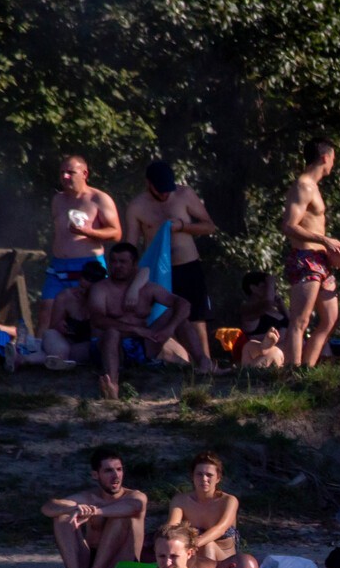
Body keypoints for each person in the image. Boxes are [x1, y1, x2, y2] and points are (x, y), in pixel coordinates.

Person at [123, 159, 220, 374]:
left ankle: (206, 365)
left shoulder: (184, 195)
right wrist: (130, 276)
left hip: (188, 265)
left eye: (168, 190)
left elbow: (209, 226)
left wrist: (183, 227)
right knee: (164, 316)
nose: (165, 195)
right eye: (160, 191)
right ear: (149, 184)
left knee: (196, 317)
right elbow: (130, 244)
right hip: (158, 271)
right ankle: (175, 365)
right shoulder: (137, 206)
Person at [280, 138, 340, 367]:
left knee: (331, 319)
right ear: (325, 157)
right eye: (333, 159)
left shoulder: (314, 187)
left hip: (321, 260)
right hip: (306, 259)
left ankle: (307, 368)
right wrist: (325, 240)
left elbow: (313, 224)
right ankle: (293, 373)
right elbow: (288, 225)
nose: (333, 164)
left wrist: (336, 247)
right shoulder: (303, 186)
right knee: (300, 320)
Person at [90, 241, 202, 399]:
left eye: (123, 262)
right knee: (112, 332)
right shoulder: (101, 289)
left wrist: (169, 329)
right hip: (111, 347)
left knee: (178, 315)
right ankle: (112, 386)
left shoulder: (148, 288)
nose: (117, 266)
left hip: (143, 346)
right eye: (113, 261)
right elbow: (97, 319)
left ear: (134, 264)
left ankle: (203, 363)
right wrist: (134, 329)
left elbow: (183, 304)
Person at [42, 446, 148, 568]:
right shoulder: (90, 497)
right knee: (63, 516)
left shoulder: (134, 496)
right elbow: (48, 507)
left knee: (120, 518)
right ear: (95, 475)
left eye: (119, 469)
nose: (116, 476)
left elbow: (135, 506)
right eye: (108, 471)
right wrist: (74, 508)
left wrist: (95, 511)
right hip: (86, 567)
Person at [38, 154, 121, 337]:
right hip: (58, 265)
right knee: (47, 310)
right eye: (62, 173)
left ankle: (93, 353)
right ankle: (41, 355)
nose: (65, 177)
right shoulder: (57, 200)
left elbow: (116, 233)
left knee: (89, 312)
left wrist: (88, 232)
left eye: (70, 172)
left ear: (84, 174)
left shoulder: (99, 199)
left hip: (87, 266)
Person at [164, 451, 243, 568]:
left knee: (209, 545)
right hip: (193, 556)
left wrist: (193, 543)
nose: (204, 479)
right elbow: (172, 528)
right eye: (199, 474)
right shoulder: (181, 501)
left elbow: (221, 528)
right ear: (192, 476)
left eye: (209, 475)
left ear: (218, 478)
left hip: (224, 561)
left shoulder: (228, 501)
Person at [41, 259, 106, 366]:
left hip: (82, 345)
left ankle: (24, 359)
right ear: (79, 280)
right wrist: (59, 326)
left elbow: (98, 334)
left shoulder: (100, 301)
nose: (82, 292)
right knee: (58, 346)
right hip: (63, 341)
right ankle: (60, 360)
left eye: (87, 290)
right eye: (81, 287)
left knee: (86, 351)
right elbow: (52, 327)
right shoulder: (65, 296)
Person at [237, 270, 288, 351]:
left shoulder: (274, 310)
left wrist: (282, 307)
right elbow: (267, 304)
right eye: (265, 286)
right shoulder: (247, 309)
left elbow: (293, 324)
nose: (271, 290)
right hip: (267, 359)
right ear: (253, 288)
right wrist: (270, 283)